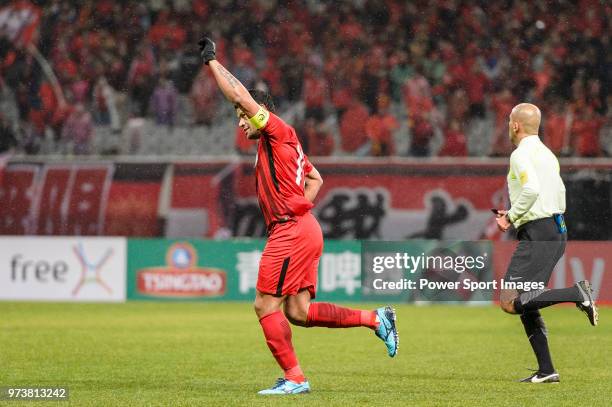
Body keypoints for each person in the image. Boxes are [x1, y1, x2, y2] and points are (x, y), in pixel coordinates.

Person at [199, 37, 399, 395]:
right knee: (298, 312)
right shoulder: (283, 143)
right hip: (302, 227)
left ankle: (295, 378)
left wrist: (212, 62)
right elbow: (315, 178)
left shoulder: (275, 130)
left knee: (264, 304)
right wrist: (299, 207)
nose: (240, 123)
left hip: (291, 230)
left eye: (242, 117)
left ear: (258, 111)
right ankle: (375, 318)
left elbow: (240, 95)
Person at [494, 103, 598, 384]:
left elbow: (531, 189)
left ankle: (577, 294)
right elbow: (556, 192)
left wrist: (512, 217)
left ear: (515, 125)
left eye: (509, 122)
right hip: (555, 227)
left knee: (509, 301)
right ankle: (546, 370)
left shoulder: (521, 154)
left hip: (538, 232)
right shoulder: (547, 154)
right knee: (528, 301)